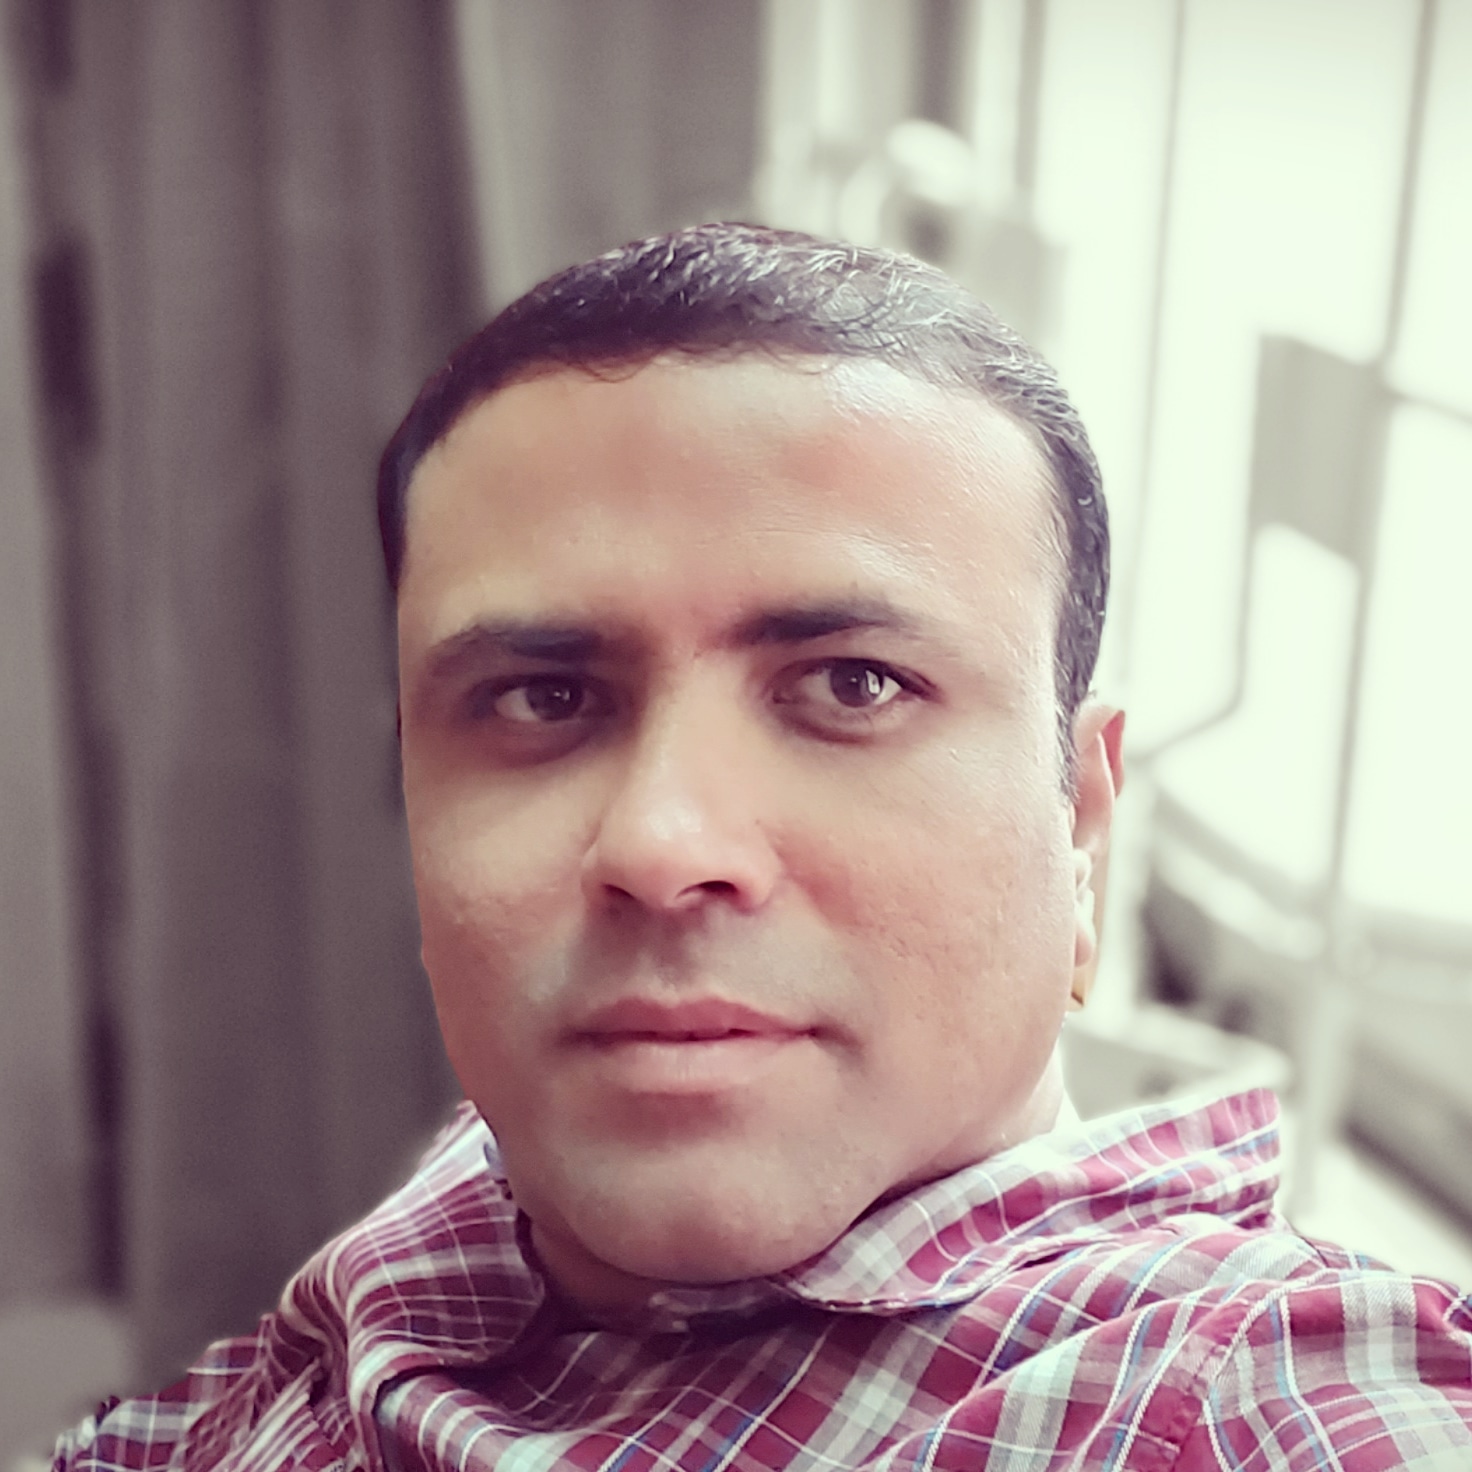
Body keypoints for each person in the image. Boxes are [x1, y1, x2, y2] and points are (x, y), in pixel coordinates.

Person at [55, 224, 1471, 1471]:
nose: (660, 844)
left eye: (854, 685)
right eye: (543, 699)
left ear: (1082, 829)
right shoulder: (489, 1198)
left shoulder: (1251, 1402)